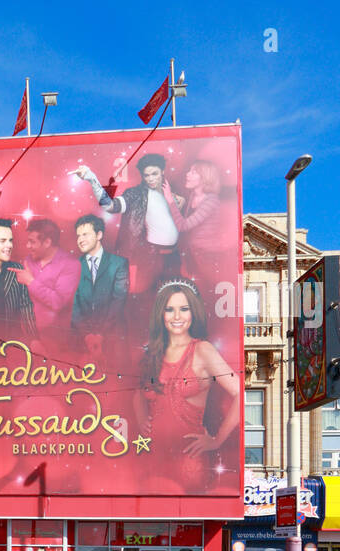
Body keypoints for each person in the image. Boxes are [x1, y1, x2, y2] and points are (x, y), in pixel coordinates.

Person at [136, 279, 241, 491]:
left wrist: (216, 440)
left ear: (193, 312)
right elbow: (136, 392)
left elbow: (240, 393)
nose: (177, 317)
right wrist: (141, 420)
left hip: (188, 460)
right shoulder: (153, 353)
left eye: (184, 309)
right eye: (170, 309)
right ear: (161, 314)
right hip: (152, 456)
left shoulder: (202, 350)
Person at [74, 153, 184, 295]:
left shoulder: (172, 193)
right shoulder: (135, 194)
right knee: (145, 300)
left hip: (173, 256)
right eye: (146, 175)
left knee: (175, 297)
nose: (150, 179)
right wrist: (92, 179)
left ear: (163, 171)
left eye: (154, 174)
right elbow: (110, 206)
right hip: (150, 257)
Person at [166, 159, 227, 305]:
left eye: (194, 172)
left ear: (205, 177)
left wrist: (169, 199)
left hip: (205, 262)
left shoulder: (211, 201)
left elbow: (183, 226)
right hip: (191, 259)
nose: (188, 174)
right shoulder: (193, 198)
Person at [70, 214, 129, 354]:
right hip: (81, 339)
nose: (80, 240)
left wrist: (100, 335)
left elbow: (118, 301)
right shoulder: (74, 266)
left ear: (99, 235)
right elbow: (74, 305)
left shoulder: (119, 263)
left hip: (113, 338)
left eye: (85, 234)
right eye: (78, 236)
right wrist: (87, 335)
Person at [15, 218, 80, 332]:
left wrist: (30, 281)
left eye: (32, 242)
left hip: (53, 338)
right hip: (26, 332)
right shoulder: (29, 260)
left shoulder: (71, 265)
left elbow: (58, 302)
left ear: (47, 242)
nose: (28, 246)